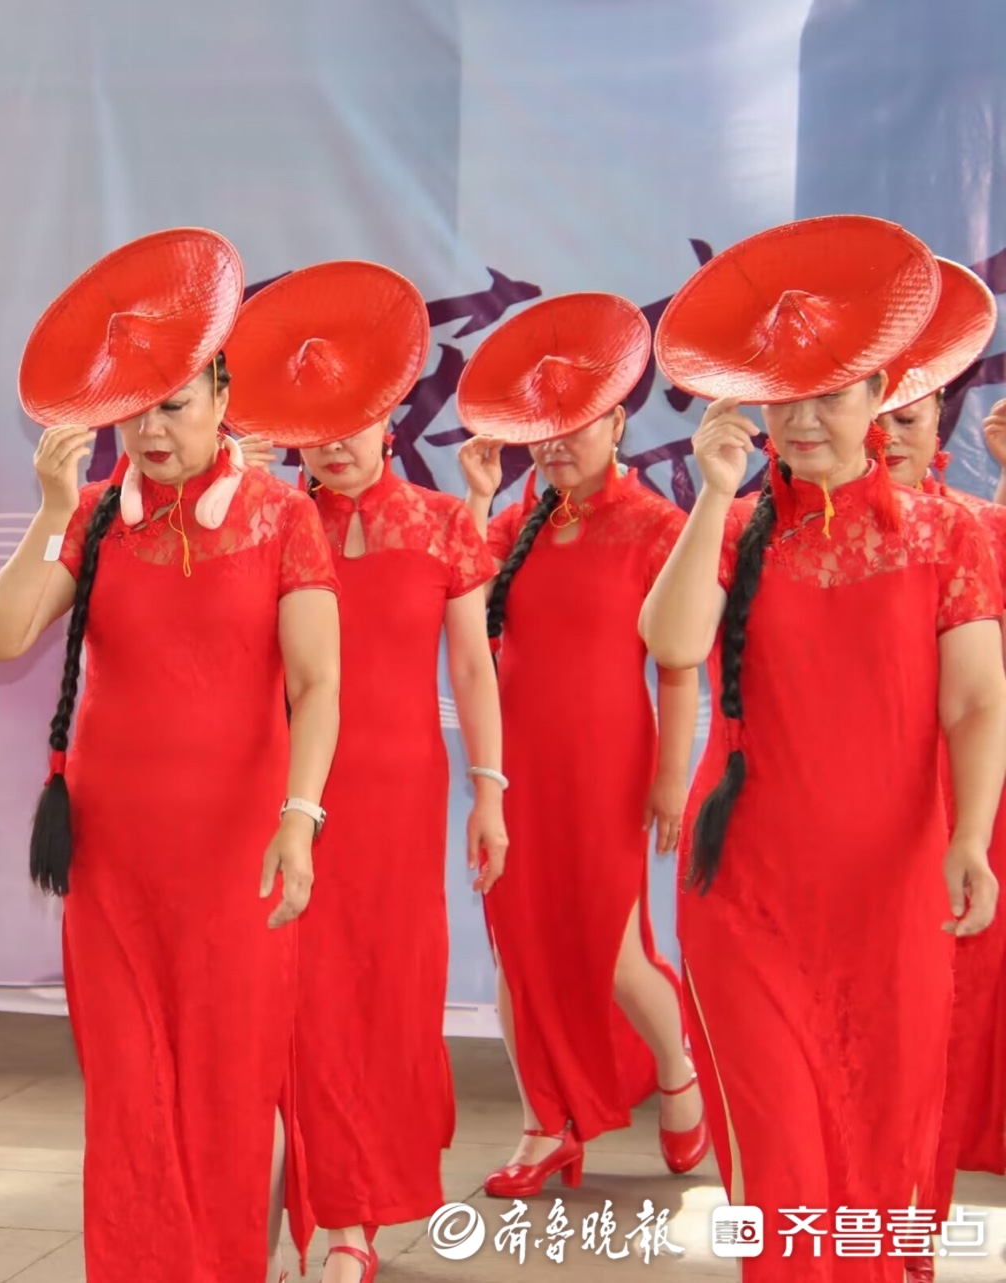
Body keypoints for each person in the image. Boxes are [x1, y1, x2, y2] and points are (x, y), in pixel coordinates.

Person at [642, 214, 1006, 1283]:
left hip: (890, 895)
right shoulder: (736, 526)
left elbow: (976, 701)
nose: (802, 420)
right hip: (745, 898)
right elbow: (670, 642)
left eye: (831, 395)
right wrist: (716, 491)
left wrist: (971, 837)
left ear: (881, 394)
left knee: (882, 1147)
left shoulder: (947, 533)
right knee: (784, 1166)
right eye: (782, 397)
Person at [0, 228, 341, 1283]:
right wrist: (53, 510)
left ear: (223, 396)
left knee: (227, 1087)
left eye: (174, 405)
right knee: (130, 1090)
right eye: (132, 410)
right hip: (115, 862)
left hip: (237, 854)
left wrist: (299, 816)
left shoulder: (281, 518)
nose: (151, 429)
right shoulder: (97, 520)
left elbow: (317, 684)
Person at [223, 261, 505, 1283]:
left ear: (392, 417)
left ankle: (353, 1217)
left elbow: (470, 666)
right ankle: (295, 1205)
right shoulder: (264, 520)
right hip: (283, 790)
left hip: (395, 797)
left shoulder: (440, 525)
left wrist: (491, 788)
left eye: (355, 423)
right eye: (317, 428)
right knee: (292, 998)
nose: (335, 445)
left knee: (378, 995)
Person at [454, 292, 707, 1195]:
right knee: (517, 946)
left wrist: (671, 777)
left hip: (607, 765)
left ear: (619, 422)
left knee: (613, 948)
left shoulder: (656, 527)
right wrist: (478, 497)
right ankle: (543, 1123)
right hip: (514, 768)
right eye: (544, 429)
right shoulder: (516, 524)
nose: (557, 444)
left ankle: (677, 1078)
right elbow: (457, 600)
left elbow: (678, 667)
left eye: (577, 424)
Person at [865, 256, 1004, 1279]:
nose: (889, 439)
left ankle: (911, 1220)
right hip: (849, 799)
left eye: (909, 420)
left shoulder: (974, 527)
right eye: (876, 418)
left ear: (939, 423)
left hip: (958, 801)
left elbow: (979, 694)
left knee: (935, 1027)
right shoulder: (797, 530)